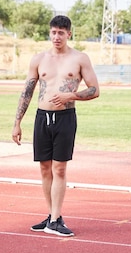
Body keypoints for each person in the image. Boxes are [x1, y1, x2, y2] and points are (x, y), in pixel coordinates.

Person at [12, 15, 100, 237]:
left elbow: (94, 90)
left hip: (65, 118)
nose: (56, 36)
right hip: (42, 118)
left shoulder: (80, 58)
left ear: (69, 33)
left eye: (61, 32)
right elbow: (27, 91)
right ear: (49, 33)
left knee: (59, 168)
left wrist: (71, 95)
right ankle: (51, 216)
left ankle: (56, 218)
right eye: (53, 32)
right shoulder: (39, 59)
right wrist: (17, 123)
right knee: (44, 168)